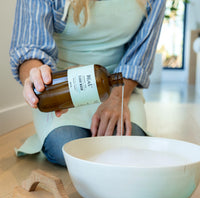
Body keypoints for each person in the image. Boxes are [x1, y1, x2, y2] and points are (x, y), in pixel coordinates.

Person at [10, 0, 166, 166]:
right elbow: (29, 45)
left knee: (124, 147)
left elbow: (141, 53)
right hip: (64, 88)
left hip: (121, 84)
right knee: (65, 146)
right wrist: (35, 75)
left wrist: (118, 98)